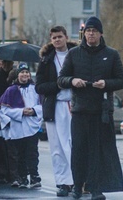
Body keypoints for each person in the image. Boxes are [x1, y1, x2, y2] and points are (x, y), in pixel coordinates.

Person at [57, 16, 123, 200]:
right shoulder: (74, 54)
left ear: (100, 33)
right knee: (78, 150)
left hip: (101, 111)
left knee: (98, 151)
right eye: (88, 31)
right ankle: (77, 187)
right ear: (84, 33)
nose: (91, 34)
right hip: (80, 110)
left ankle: (96, 188)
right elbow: (61, 79)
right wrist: (73, 80)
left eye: (94, 31)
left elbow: (122, 80)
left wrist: (106, 83)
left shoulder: (111, 54)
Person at [35, 25, 77, 197]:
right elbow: (39, 86)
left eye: (60, 36)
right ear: (51, 40)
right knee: (57, 146)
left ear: (66, 37)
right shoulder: (46, 60)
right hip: (55, 105)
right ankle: (63, 182)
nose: (57, 40)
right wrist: (58, 85)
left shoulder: (76, 55)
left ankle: (78, 180)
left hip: (75, 105)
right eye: (54, 38)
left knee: (73, 144)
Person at [0, 63, 42, 190]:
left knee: (32, 153)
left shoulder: (35, 89)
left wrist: (33, 110)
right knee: (20, 154)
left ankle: (34, 176)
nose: (25, 74)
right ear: (18, 75)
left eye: (27, 72)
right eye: (22, 72)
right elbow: (4, 109)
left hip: (32, 126)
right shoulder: (11, 90)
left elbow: (42, 105)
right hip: (18, 126)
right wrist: (21, 112)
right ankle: (22, 177)